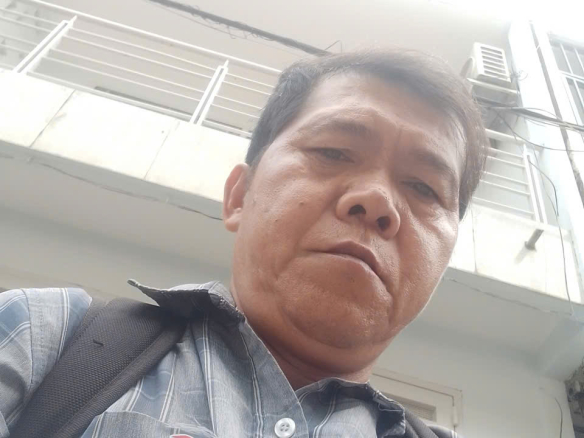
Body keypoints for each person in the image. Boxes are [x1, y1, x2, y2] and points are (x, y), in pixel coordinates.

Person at [0, 49, 486, 437]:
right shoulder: (41, 333)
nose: (378, 201)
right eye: (334, 152)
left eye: (424, 188)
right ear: (239, 196)